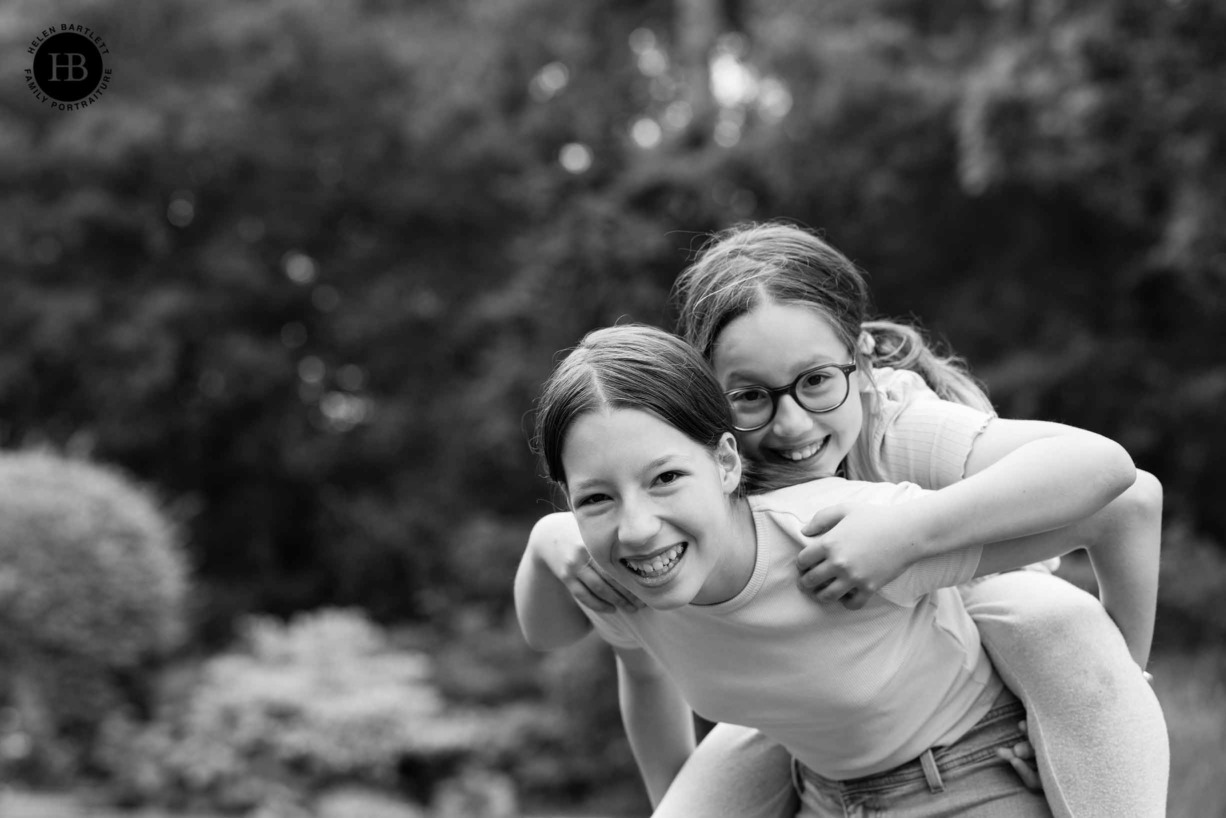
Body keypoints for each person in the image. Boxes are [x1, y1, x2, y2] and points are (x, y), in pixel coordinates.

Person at [515, 222, 1167, 817]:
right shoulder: (675, 521)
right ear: (709, 402)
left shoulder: (899, 430)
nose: (792, 424)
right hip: (821, 705)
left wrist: (909, 535)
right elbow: (632, 653)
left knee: (1034, 606)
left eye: (817, 382)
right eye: (749, 397)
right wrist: (552, 535)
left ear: (861, 361)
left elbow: (1119, 490)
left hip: (963, 624)